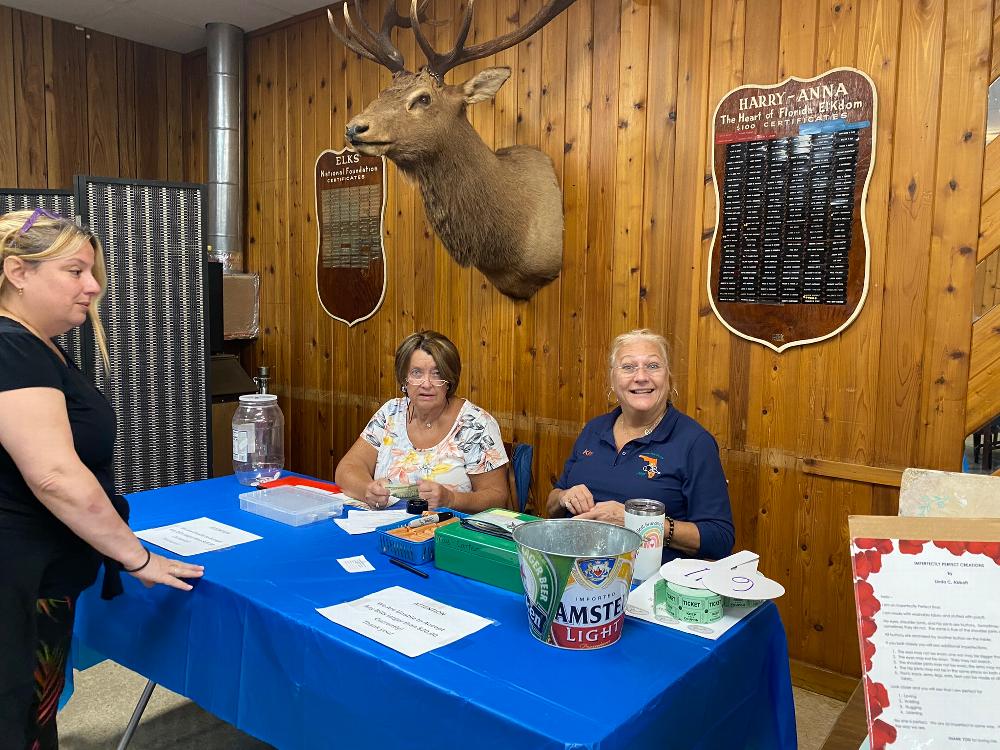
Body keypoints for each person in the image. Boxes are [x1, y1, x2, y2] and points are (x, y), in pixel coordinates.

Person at [0, 208, 204, 750]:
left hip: (42, 579)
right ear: (18, 272)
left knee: (32, 718)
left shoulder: (37, 345)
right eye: (74, 271)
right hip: (17, 586)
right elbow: (55, 475)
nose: (93, 287)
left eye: (93, 272)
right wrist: (135, 558)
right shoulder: (10, 347)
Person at [547, 328, 734, 562]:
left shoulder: (695, 443)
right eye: (628, 367)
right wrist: (565, 496)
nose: (641, 376)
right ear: (613, 381)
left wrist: (637, 523)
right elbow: (552, 504)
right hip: (572, 566)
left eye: (653, 366)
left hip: (646, 584)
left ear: (669, 378)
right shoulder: (594, 429)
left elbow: (719, 538)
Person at [336, 330, 509, 512]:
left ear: (449, 380)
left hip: (448, 532)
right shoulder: (390, 412)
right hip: (386, 527)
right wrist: (367, 490)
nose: (426, 384)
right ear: (405, 379)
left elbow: (497, 497)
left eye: (436, 374)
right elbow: (348, 468)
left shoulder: (476, 424)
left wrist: (451, 499)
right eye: (417, 373)